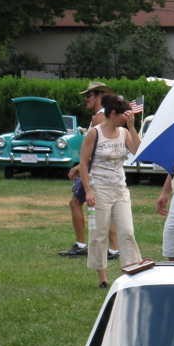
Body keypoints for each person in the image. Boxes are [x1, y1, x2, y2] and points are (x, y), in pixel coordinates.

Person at [79, 95, 143, 289]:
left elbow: (137, 150)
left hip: (120, 189)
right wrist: (88, 190)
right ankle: (103, 277)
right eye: (123, 116)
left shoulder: (124, 132)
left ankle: (131, 271)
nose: (125, 118)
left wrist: (132, 127)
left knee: (127, 231)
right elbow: (83, 162)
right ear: (112, 114)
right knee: (99, 233)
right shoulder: (94, 133)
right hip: (100, 188)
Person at [61, 81, 119, 259]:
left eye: (89, 96)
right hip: (100, 170)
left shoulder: (99, 118)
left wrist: (79, 167)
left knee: (77, 204)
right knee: (102, 208)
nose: (86, 100)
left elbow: (98, 149)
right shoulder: (105, 117)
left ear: (100, 96)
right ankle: (114, 249)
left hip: (94, 171)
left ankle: (82, 245)